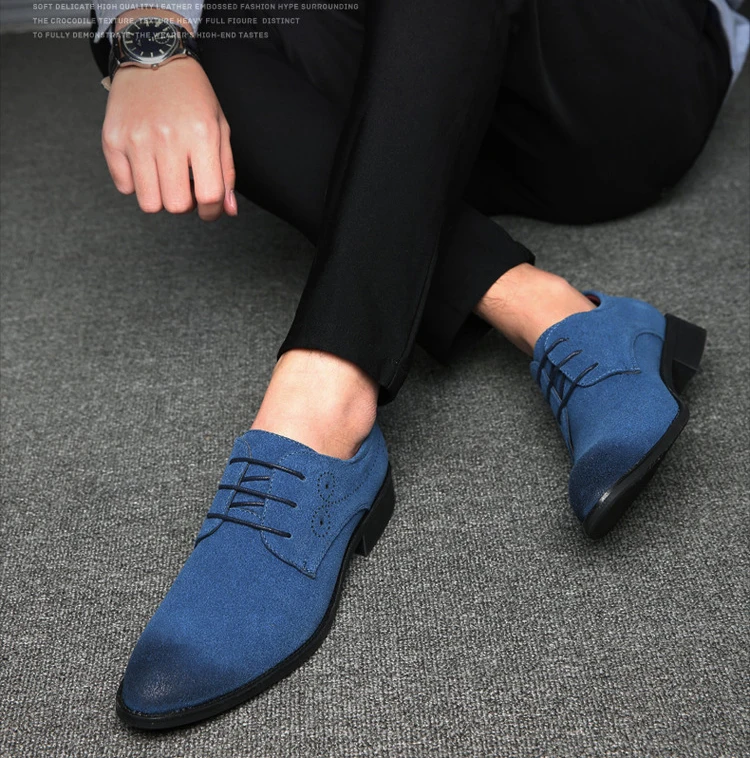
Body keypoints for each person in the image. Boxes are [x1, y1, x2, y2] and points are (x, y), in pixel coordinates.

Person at [88, 0, 748, 729]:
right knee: (181, 29)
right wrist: (147, 41)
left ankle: (320, 406)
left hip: (609, 86)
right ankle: (541, 306)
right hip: (422, 88)